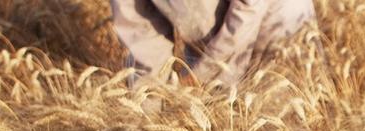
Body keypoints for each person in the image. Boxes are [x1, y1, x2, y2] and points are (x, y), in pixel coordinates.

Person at [109, 0, 315, 87]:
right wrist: (149, 103)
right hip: (206, 40)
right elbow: (142, 34)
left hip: (281, 26)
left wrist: (198, 78)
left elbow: (249, 9)